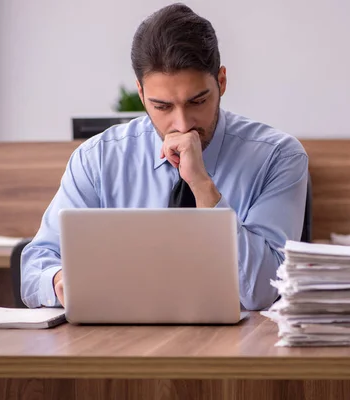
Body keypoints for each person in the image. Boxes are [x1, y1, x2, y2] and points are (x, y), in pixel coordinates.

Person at [20, 3, 308, 311]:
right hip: (119, 344)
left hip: (234, 350)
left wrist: (201, 185)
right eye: (162, 107)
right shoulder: (98, 159)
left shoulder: (278, 157)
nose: (182, 125)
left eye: (197, 101)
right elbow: (34, 266)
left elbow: (263, 291)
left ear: (221, 82)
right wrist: (59, 280)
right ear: (141, 94)